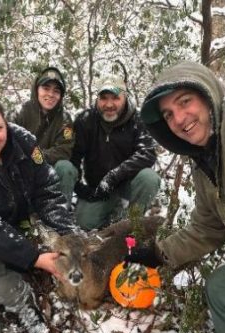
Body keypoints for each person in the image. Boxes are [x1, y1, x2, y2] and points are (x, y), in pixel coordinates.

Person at [126, 61, 225, 333]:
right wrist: (158, 253)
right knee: (223, 289)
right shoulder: (206, 160)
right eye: (167, 114)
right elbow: (208, 228)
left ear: (207, 96)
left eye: (184, 102)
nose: (179, 119)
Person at [0, 93, 76, 333]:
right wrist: (33, 257)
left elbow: (47, 190)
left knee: (66, 239)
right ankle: (20, 299)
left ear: (6, 124)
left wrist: (67, 234)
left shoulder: (24, 141)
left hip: (21, 216)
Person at [67, 74, 160, 230]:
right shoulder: (85, 120)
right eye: (104, 98)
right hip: (98, 188)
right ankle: (113, 214)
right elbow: (74, 156)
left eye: (115, 98)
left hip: (127, 184)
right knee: (84, 223)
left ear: (124, 97)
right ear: (97, 99)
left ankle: (130, 223)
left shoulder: (138, 119)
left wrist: (114, 176)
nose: (109, 104)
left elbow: (147, 153)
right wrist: (81, 188)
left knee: (149, 178)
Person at [10, 67, 77, 203]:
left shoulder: (66, 119)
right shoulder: (19, 113)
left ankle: (60, 212)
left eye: (56, 91)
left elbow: (64, 149)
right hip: (22, 167)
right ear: (37, 90)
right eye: (46, 88)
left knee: (66, 167)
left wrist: (38, 157)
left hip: (48, 167)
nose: (51, 94)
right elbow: (9, 144)